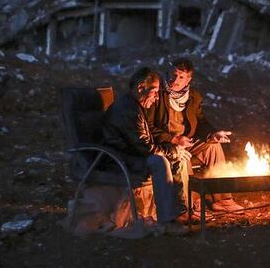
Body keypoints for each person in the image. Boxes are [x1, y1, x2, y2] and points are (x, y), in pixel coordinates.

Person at [145, 58, 244, 213]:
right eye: (174, 74)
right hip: (166, 143)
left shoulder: (193, 97)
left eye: (181, 77)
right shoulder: (157, 94)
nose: (176, 80)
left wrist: (212, 134)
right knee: (182, 157)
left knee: (213, 147)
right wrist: (173, 139)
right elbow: (149, 127)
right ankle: (189, 204)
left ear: (188, 79)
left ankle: (223, 199)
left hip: (187, 141)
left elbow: (201, 121)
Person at [102, 67, 190, 233]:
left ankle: (180, 212)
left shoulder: (135, 107)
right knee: (159, 161)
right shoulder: (128, 110)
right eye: (155, 91)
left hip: (131, 154)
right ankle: (167, 221)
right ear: (141, 87)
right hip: (119, 159)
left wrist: (175, 150)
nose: (157, 98)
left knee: (180, 157)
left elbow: (143, 143)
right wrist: (173, 151)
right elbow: (146, 149)